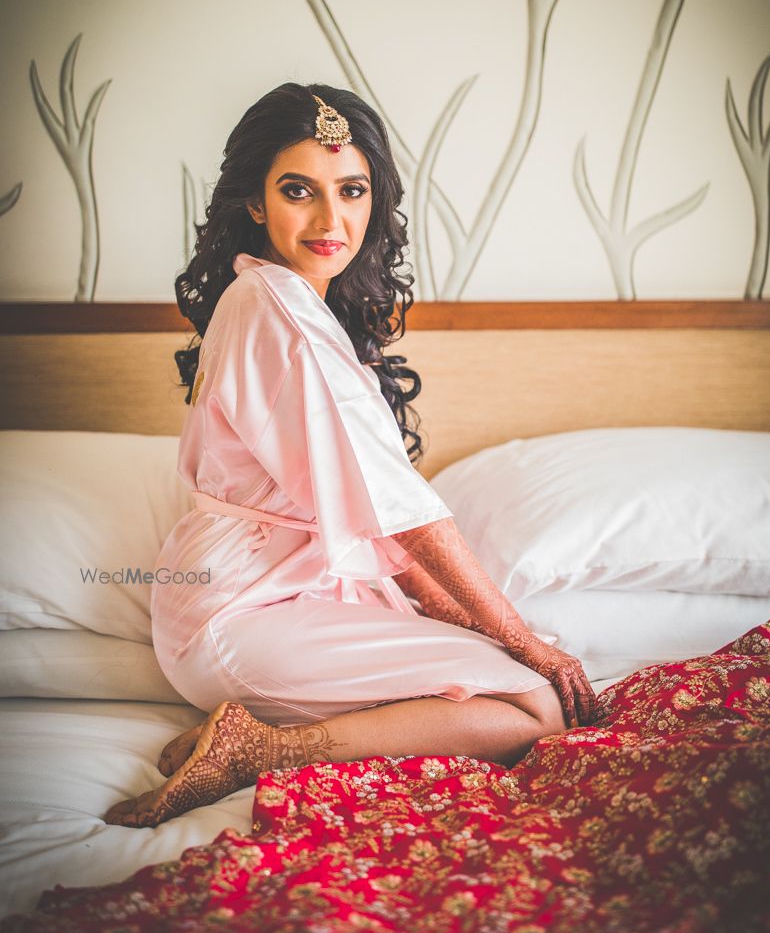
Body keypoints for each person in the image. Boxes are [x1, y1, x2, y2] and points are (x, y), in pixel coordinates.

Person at [104, 83, 596, 828]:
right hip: (241, 610)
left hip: (261, 591)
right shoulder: (278, 311)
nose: (332, 220)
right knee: (531, 705)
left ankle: (250, 738)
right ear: (256, 204)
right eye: (299, 191)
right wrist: (523, 641)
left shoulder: (284, 300)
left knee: (508, 678)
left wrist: (466, 620)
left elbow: (372, 516)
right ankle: (261, 751)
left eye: (353, 190)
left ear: (376, 200)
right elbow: (401, 515)